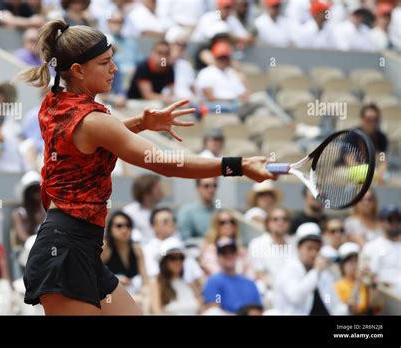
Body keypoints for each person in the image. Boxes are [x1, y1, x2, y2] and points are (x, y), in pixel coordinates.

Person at [17, 20, 276, 315]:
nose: (114, 69)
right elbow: (166, 163)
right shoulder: (93, 120)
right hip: (65, 249)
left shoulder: (56, 102)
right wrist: (237, 166)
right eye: (105, 62)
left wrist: (141, 123)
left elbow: (94, 141)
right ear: (77, 70)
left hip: (79, 247)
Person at [273, 224, 347, 315]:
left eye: (317, 249)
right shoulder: (288, 269)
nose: (313, 253)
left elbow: (329, 300)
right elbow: (295, 297)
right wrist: (316, 272)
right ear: (298, 248)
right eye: (309, 248)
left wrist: (346, 309)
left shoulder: (323, 273)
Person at [248, 207, 295, 306]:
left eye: (284, 219)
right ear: (268, 223)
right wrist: (280, 289)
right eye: (275, 219)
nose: (280, 222)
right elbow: (260, 274)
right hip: (270, 293)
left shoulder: (295, 244)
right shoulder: (257, 244)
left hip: (295, 291)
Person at [143, 207, 204, 284]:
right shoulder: (148, 249)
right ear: (153, 226)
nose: (171, 223)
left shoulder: (181, 245)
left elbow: (198, 275)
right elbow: (154, 277)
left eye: (173, 220)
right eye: (165, 221)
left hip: (188, 289)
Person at [202, 238, 262, 314]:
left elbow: (257, 310)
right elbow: (215, 306)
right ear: (218, 257)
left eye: (232, 252)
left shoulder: (249, 283)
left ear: (236, 255)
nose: (229, 256)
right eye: (224, 253)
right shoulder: (215, 281)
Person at [150, 238, 201, 314]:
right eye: (173, 258)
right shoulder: (156, 283)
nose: (178, 262)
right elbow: (157, 311)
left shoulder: (190, 283)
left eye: (181, 258)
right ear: (164, 261)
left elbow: (201, 309)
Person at [102, 211, 148, 296]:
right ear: (110, 228)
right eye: (119, 226)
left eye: (128, 226)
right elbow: (95, 275)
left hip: (135, 294)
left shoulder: (136, 249)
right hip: (110, 295)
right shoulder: (105, 247)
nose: (124, 230)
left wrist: (145, 291)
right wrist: (116, 280)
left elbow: (145, 280)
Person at [195, 41, 248, 114]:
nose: (223, 60)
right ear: (215, 57)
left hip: (235, 105)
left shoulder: (231, 73)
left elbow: (243, 94)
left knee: (259, 103)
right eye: (220, 58)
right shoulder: (206, 72)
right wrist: (231, 100)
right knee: (222, 108)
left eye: (225, 58)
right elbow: (210, 97)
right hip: (215, 106)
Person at [361, 205, 401, 293]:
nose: (395, 223)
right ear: (381, 222)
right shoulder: (371, 247)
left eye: (398, 219)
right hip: (386, 295)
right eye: (390, 220)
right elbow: (367, 278)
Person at [200, 209, 252, 276]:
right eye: (223, 222)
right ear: (216, 225)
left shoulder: (241, 249)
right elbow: (215, 272)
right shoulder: (209, 249)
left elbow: (250, 273)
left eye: (232, 222)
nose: (228, 225)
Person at [122, 174, 164, 244]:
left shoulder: (163, 212)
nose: (162, 192)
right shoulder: (128, 213)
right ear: (146, 193)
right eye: (158, 189)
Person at [11, 171, 45, 248]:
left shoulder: (46, 212)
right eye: (33, 190)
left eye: (39, 189)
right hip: (27, 254)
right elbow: (22, 236)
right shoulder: (19, 214)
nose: (37, 194)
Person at [334, 242, 369, 315]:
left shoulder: (365, 284)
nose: (354, 265)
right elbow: (351, 309)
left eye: (356, 261)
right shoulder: (337, 286)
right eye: (350, 261)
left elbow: (375, 307)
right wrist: (358, 281)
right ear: (342, 265)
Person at [357, 104, 389, 183]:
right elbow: (349, 159)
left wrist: (380, 171)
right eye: (368, 119)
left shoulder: (381, 137)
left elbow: (382, 158)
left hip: (372, 172)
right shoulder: (352, 134)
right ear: (362, 119)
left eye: (375, 119)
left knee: (386, 177)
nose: (372, 123)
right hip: (352, 170)